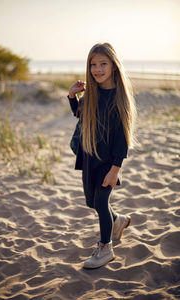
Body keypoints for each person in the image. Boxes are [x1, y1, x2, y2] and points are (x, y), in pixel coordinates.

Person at [67, 42, 137, 269]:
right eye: (93, 64)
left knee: (100, 200)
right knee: (93, 203)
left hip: (108, 161)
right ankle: (118, 220)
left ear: (114, 66)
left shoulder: (119, 98)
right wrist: (72, 96)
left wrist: (115, 169)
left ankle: (106, 248)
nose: (97, 69)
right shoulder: (93, 94)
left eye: (103, 64)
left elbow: (122, 139)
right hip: (89, 158)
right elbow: (80, 115)